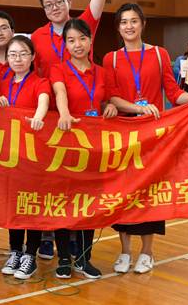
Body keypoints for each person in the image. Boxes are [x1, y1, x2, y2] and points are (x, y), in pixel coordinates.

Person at [103, 3, 188, 274]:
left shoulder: (159, 54)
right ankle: (125, 251)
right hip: (123, 134)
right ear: (118, 27)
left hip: (153, 135)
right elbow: (112, 97)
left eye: (134, 21)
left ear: (143, 24)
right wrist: (138, 108)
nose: (129, 26)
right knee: (123, 193)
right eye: (124, 22)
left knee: (149, 193)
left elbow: (174, 93)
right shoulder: (111, 59)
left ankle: (147, 252)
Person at [30, 0, 113, 259]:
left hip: (85, 119)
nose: (54, 8)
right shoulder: (36, 36)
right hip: (53, 118)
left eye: (59, 2)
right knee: (51, 180)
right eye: (48, 5)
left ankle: (79, 238)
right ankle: (48, 236)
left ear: (68, 3)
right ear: (43, 9)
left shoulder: (84, 24)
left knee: (83, 180)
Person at [50, 19, 117, 280]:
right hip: (66, 146)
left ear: (90, 40)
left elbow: (106, 99)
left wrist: (110, 106)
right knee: (64, 202)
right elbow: (59, 92)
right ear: (65, 45)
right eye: (71, 40)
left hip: (93, 148)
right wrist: (64, 113)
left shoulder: (101, 72)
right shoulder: (58, 69)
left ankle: (84, 258)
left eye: (82, 38)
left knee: (88, 203)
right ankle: (64, 258)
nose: (77, 44)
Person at [0, 35, 50, 280]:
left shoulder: (40, 82)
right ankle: (15, 251)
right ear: (7, 58)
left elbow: (43, 101)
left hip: (33, 155)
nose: (18, 59)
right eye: (13, 54)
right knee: (14, 204)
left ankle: (30, 254)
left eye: (23, 54)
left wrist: (38, 116)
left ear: (32, 57)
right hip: (10, 154)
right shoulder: (3, 83)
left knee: (31, 204)